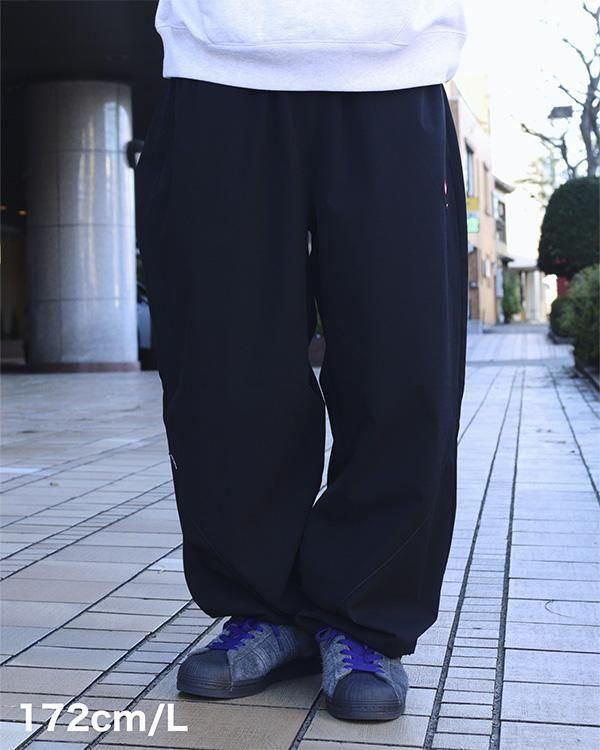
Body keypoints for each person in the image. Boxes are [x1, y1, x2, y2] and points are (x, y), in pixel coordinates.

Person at [136, 0, 468, 723]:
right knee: (224, 366)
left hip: (393, 62)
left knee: (402, 361)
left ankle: (364, 616)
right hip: (218, 60)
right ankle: (260, 605)